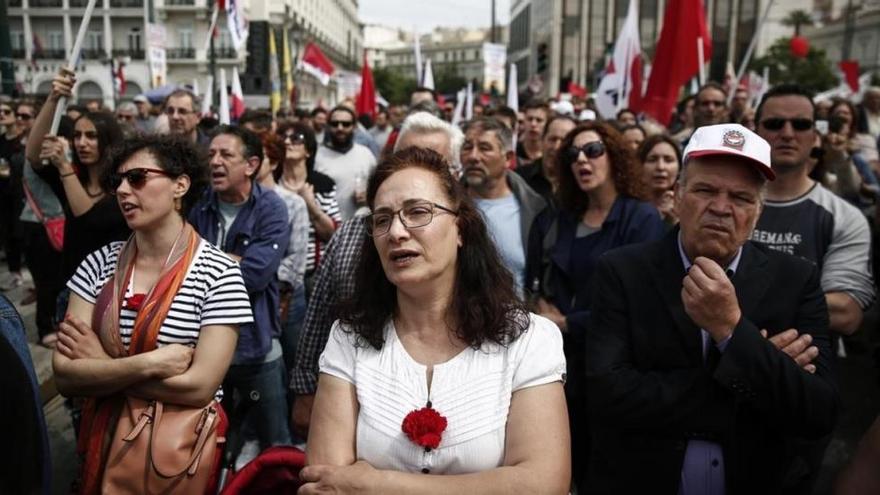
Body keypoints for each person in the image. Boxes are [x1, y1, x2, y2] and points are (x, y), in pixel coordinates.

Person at [584, 123, 838, 493]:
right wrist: (760, 371)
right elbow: (608, 395)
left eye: (740, 197)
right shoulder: (622, 271)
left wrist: (731, 329)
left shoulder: (796, 281)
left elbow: (818, 410)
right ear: (677, 196)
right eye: (705, 190)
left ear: (758, 213)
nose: (721, 208)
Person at [300, 147, 569, 493]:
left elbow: (541, 485)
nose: (396, 231)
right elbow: (326, 482)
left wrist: (377, 484)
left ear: (460, 229)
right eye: (382, 219)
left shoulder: (527, 339)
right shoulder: (349, 336)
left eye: (417, 212)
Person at [53, 134, 252, 495]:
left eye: (138, 178)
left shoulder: (218, 272)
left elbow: (200, 386)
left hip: (172, 459)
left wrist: (101, 365)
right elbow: (66, 376)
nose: (124, 191)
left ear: (180, 185)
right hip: (101, 441)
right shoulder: (99, 263)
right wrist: (150, 364)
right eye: (118, 181)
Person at [290, 111, 464, 441]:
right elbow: (321, 312)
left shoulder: (467, 241)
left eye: (431, 162)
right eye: (406, 158)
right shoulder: (353, 233)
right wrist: (305, 387)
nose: (397, 234)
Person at [525, 121, 665, 491]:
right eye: (573, 155)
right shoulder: (563, 219)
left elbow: (641, 299)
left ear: (615, 157)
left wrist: (567, 322)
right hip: (566, 366)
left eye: (593, 151)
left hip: (617, 365)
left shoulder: (642, 217)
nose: (582, 160)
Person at [188, 125, 293, 463]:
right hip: (201, 347)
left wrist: (206, 261)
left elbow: (257, 275)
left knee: (274, 445)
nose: (215, 162)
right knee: (211, 445)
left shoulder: (271, 208)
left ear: (250, 165)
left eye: (226, 155)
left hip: (255, 348)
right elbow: (181, 271)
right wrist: (230, 262)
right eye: (211, 155)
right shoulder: (199, 206)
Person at [752, 85, 875, 337]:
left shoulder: (844, 217)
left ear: (814, 134)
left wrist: (734, 297)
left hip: (805, 368)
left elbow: (846, 312)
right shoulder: (722, 202)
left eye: (800, 125)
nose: (787, 134)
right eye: (775, 124)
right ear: (756, 131)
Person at [26, 69, 131, 336]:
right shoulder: (71, 177)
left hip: (112, 296)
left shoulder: (124, 185)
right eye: (78, 136)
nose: (82, 143)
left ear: (108, 141)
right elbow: (34, 154)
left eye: (92, 136)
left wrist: (63, 166)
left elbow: (88, 216)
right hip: (72, 290)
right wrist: (53, 98)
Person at [258, 133, 309, 383]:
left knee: (292, 364)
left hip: (285, 295)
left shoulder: (293, 203)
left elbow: (297, 258)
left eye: (259, 158)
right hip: (253, 296)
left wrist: (259, 272)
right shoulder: (242, 204)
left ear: (274, 163)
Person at [275, 122, 341, 286]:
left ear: (309, 151)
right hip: (278, 275)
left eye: (296, 139)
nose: (288, 142)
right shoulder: (271, 185)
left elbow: (334, 234)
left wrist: (311, 205)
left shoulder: (323, 185)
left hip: (316, 276)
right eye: (284, 138)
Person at [314, 106, 377, 220]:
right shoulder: (317, 156)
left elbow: (378, 187)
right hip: (326, 228)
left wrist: (368, 196)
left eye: (346, 124)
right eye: (335, 124)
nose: (340, 128)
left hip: (359, 226)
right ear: (328, 126)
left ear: (354, 127)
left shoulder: (366, 154)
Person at [515, 115, 577, 205]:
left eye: (564, 141)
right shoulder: (519, 179)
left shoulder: (580, 182)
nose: (557, 147)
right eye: (552, 139)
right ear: (542, 140)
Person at [639, 134, 683, 226]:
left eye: (668, 160)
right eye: (652, 160)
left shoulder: (689, 204)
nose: (660, 167)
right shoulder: (627, 209)